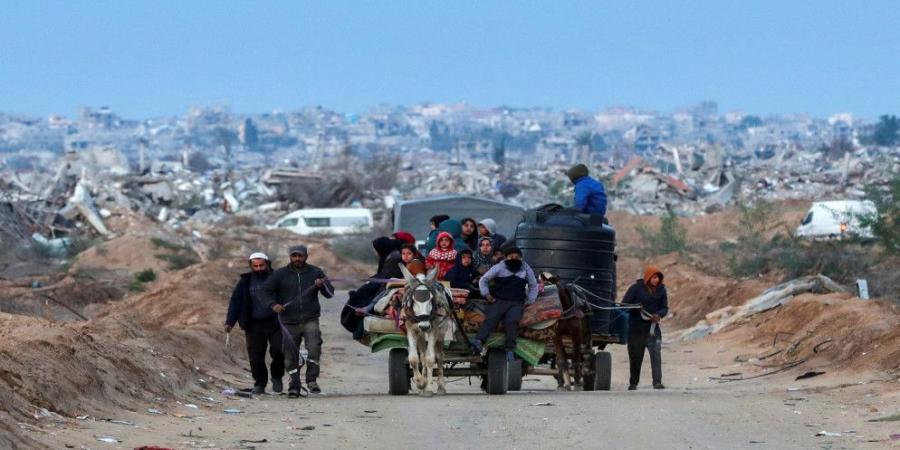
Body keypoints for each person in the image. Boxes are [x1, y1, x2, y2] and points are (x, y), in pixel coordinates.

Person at [259, 245, 334, 397]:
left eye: (300, 256)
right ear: (290, 257)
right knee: (290, 354)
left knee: (314, 348)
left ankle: (311, 380)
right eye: (294, 256)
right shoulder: (280, 274)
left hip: (310, 319)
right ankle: (294, 385)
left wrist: (322, 285)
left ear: (306, 256)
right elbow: (264, 292)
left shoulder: (315, 272)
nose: (297, 259)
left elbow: (329, 293)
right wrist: (273, 305)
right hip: (288, 321)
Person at [224, 252, 283, 395]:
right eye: (255, 266)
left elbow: (289, 294)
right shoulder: (245, 282)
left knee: (279, 351)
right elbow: (235, 302)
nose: (259, 268)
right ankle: (260, 384)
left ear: (267, 264)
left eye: (261, 265)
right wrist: (230, 322)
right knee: (256, 357)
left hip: (276, 323)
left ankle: (277, 376)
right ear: (251, 266)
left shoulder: (278, 278)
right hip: (253, 325)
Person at [471, 246, 539, 361]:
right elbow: (484, 280)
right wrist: (487, 294)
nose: (514, 259)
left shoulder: (526, 268)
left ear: (521, 258)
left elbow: (533, 285)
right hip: (498, 301)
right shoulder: (499, 267)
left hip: (516, 302)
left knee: (512, 322)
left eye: (517, 257)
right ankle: (478, 342)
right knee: (491, 319)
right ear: (506, 258)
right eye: (511, 257)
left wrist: (530, 300)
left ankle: (510, 349)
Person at [624, 266, 669, 391]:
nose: (656, 280)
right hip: (636, 329)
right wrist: (636, 307)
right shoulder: (635, 289)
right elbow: (624, 305)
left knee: (656, 355)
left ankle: (657, 382)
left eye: (658, 278)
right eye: (654, 277)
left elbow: (665, 307)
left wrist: (659, 314)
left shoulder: (661, 290)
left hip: (652, 329)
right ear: (648, 277)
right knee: (635, 356)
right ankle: (633, 383)